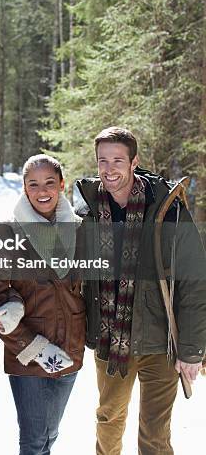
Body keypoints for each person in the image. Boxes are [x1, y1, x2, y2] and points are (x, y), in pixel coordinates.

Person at [77, 126, 206, 455]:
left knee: (155, 434)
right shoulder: (88, 214)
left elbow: (194, 283)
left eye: (117, 160)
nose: (109, 169)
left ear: (134, 162)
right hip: (110, 343)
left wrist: (191, 350)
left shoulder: (168, 210)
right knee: (109, 420)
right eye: (102, 161)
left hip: (160, 343)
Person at [0, 154, 85, 455]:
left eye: (50, 183)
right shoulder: (7, 233)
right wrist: (36, 348)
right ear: (25, 189)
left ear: (62, 185)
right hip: (27, 354)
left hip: (71, 348)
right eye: (34, 184)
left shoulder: (80, 229)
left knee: (49, 435)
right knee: (33, 439)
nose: (42, 191)